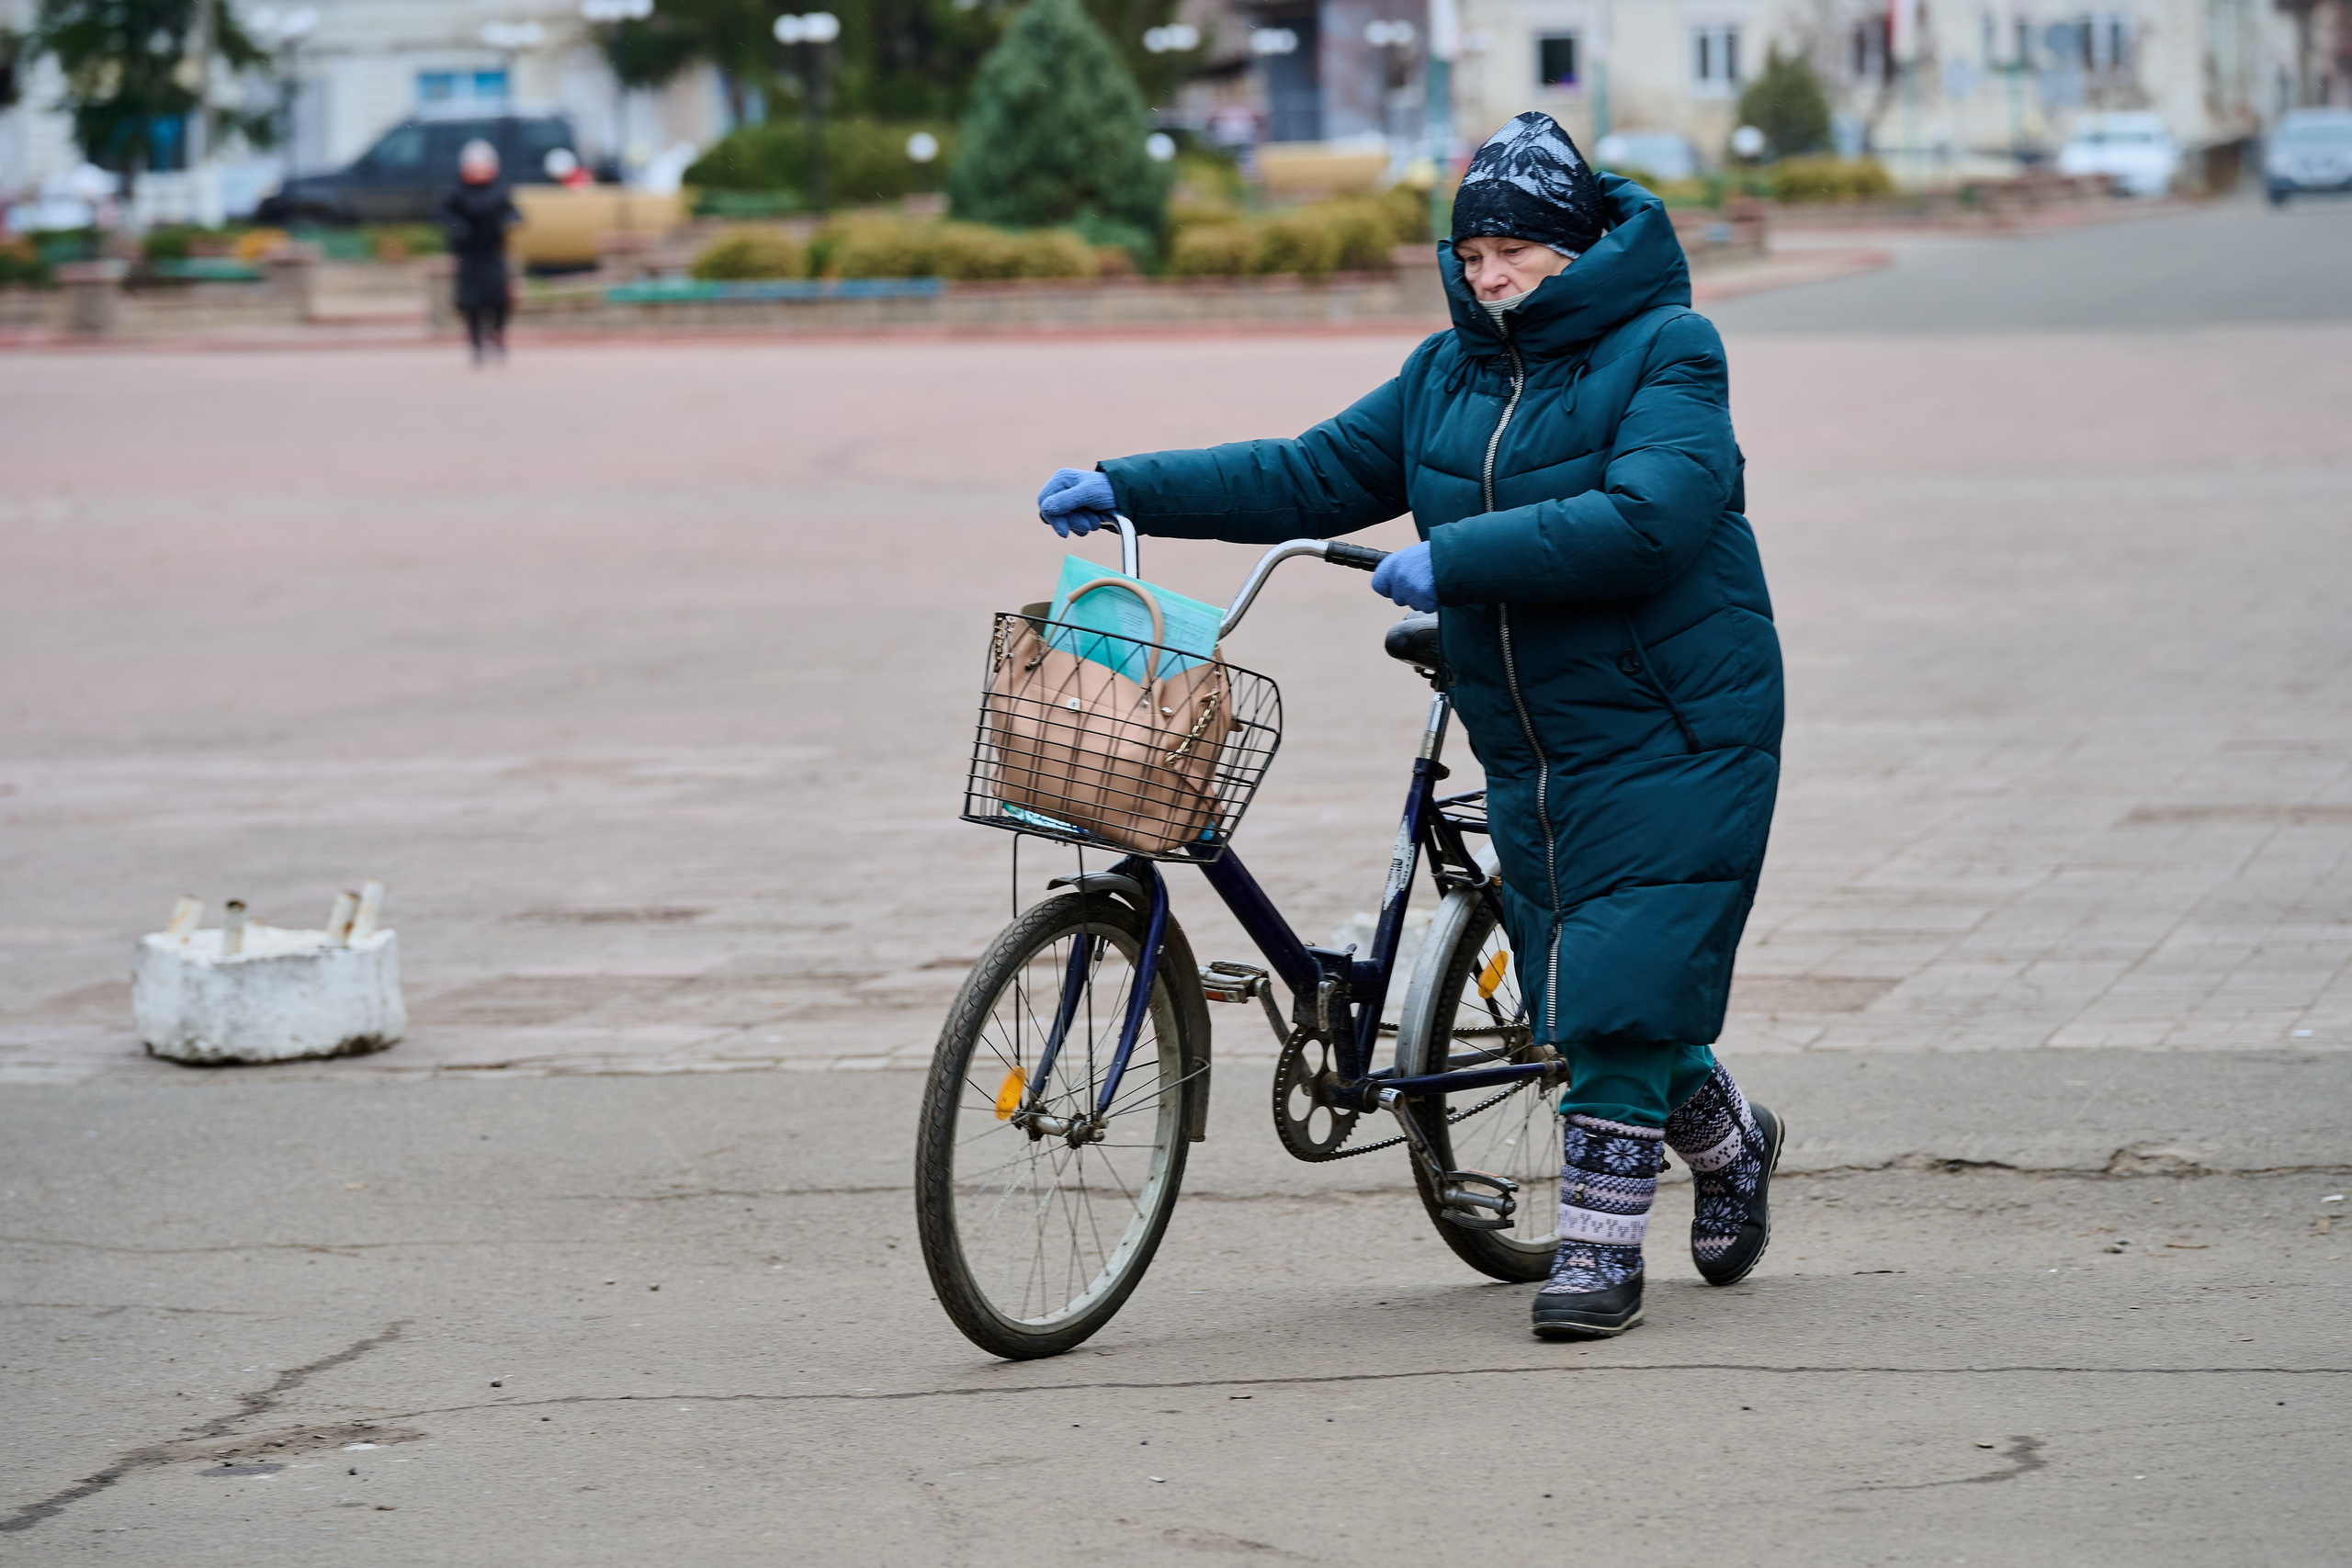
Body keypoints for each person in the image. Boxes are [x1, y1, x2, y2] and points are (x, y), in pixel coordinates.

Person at [1034, 112, 1786, 1340]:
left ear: (1576, 246)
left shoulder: (1670, 351)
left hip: (1677, 712)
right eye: (1474, 250)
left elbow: (1654, 516)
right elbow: (1311, 469)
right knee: (1583, 981)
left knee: (1614, 974)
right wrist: (1135, 483)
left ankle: (1599, 1251)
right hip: (1533, 727)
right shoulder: (1448, 370)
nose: (1490, 276)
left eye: (1517, 253)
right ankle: (1730, 1136)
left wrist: (1459, 553)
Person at [443, 140, 520, 364]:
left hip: (493, 253)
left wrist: (509, 221)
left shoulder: (499, 191)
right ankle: (476, 342)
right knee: (471, 302)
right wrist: (458, 228)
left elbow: (514, 212)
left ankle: (497, 334)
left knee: (499, 300)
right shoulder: (457, 192)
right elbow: (443, 215)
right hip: (469, 255)